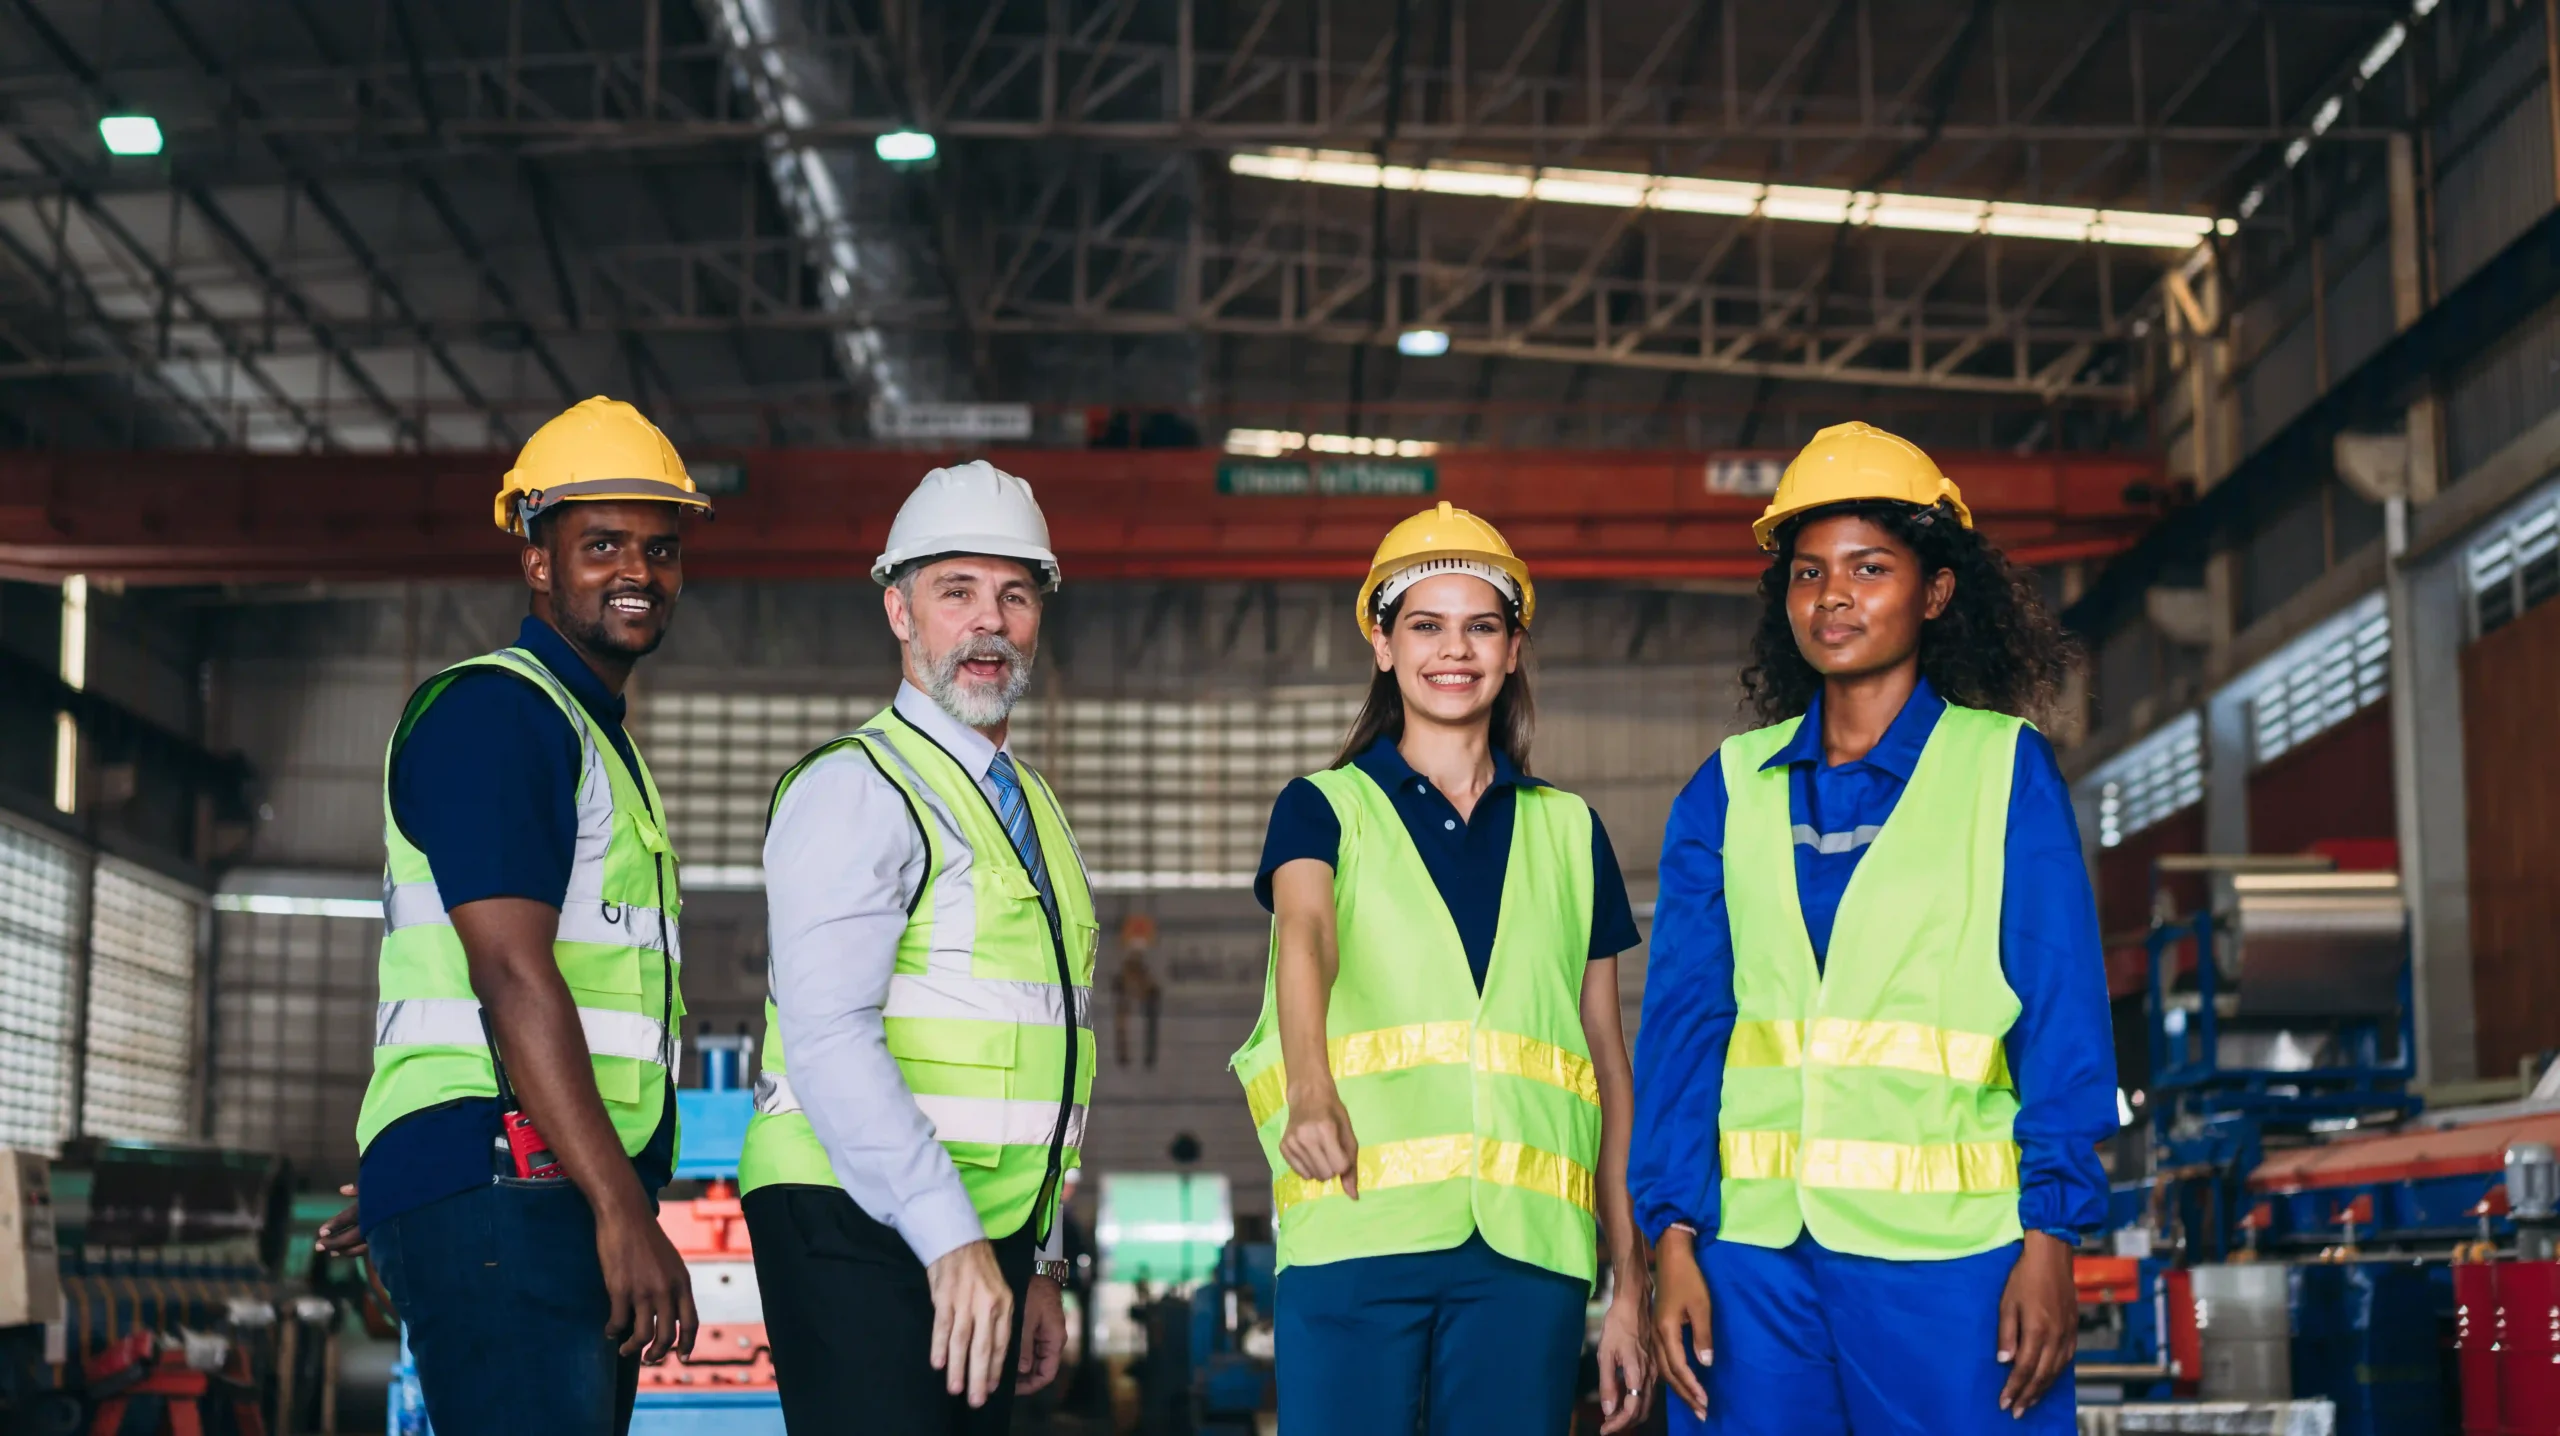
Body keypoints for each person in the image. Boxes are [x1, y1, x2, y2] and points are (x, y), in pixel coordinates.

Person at [1629, 421, 2118, 1435]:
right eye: (1807, 573)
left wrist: (2051, 1235)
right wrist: (1669, 1238)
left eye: (1868, 567)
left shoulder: (2001, 771)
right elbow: (1684, 1029)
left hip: (1954, 1260)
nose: (1833, 596)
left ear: (1935, 590)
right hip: (1752, 1261)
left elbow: (2060, 1012)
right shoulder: (1725, 789)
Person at [332, 396, 713, 1435]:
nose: (638, 571)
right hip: (518, 1181)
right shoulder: (499, 712)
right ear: (537, 560)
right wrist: (618, 1206)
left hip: (517, 1177)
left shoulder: (589, 734)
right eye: (600, 544)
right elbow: (509, 973)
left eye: (660, 547)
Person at [1233, 502, 1654, 1436]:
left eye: (1481, 626)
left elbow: (1606, 1068)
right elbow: (1305, 934)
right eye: (1425, 624)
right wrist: (1309, 1087)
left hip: (1527, 1260)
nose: (1452, 650)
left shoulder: (1570, 830)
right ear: (1382, 645)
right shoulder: (1321, 810)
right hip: (1356, 1240)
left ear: (1512, 651)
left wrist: (1628, 1285)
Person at [738, 460, 1095, 1435]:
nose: (989, 622)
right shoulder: (857, 786)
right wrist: (951, 1240)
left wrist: (1040, 1258)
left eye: (1014, 595)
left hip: (979, 1230)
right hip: (852, 1211)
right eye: (957, 592)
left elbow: (1045, 1055)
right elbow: (829, 1036)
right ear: (899, 611)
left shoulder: (1034, 811)